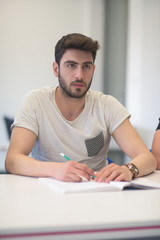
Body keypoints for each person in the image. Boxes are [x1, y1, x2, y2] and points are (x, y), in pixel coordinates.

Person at [5, 33, 157, 182]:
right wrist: (55, 169)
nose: (79, 75)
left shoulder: (107, 105)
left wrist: (128, 169)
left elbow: (148, 158)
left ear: (93, 69)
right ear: (56, 69)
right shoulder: (36, 102)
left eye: (86, 66)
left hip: (97, 190)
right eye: (71, 65)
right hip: (48, 191)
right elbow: (12, 160)